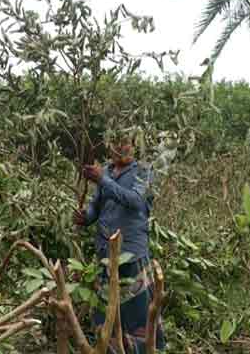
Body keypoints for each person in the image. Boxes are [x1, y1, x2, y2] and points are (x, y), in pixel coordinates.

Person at [73, 136, 165, 353]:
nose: (120, 147)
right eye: (115, 142)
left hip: (132, 252)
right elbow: (97, 206)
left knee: (138, 313)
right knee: (107, 312)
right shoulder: (107, 169)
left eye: (125, 143)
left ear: (134, 146)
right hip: (105, 252)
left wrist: (102, 179)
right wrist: (85, 217)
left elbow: (134, 201)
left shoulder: (144, 171)